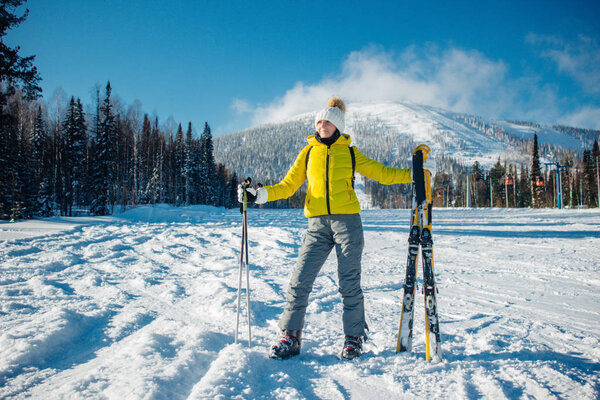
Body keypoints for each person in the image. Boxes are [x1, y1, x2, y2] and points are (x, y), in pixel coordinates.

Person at [238, 97, 413, 360]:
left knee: (349, 283)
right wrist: (258, 195)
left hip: (348, 224)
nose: (322, 125)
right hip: (317, 225)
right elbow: (287, 186)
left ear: (338, 125)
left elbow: (385, 174)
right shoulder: (308, 153)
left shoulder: (351, 153)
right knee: (300, 280)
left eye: (328, 121)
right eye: (319, 121)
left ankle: (353, 339)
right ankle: (290, 336)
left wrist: (416, 174)